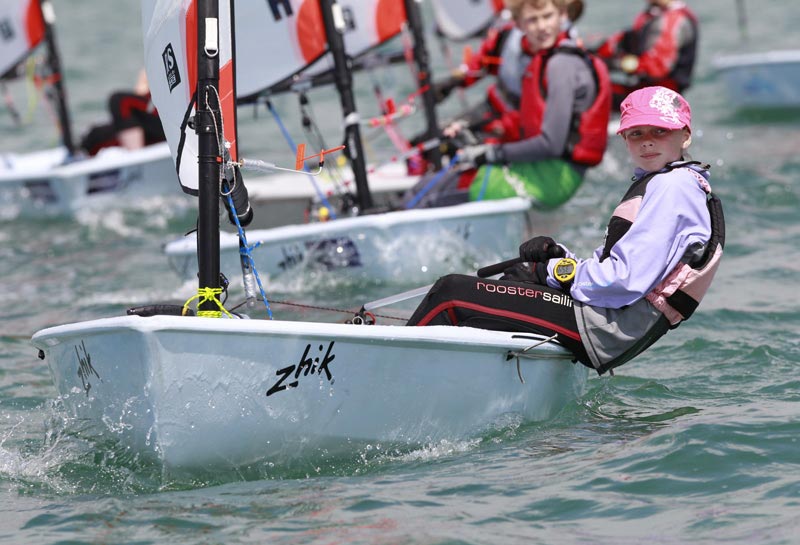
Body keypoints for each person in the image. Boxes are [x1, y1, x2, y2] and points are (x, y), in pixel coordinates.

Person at [406, 86, 725, 375]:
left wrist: (555, 272)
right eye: (636, 133)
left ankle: (390, 378)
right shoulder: (674, 182)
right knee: (505, 286)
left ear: (685, 135)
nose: (648, 141)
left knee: (450, 294)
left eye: (660, 130)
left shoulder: (672, 187)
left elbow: (625, 279)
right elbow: (615, 269)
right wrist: (560, 257)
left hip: (607, 326)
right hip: (607, 318)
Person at [403, 0, 611, 211]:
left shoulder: (561, 65)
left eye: (547, 17)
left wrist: (491, 153)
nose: (541, 26)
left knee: (426, 195)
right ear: (519, 25)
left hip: (554, 176)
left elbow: (551, 144)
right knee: (435, 174)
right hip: (542, 165)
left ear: (563, 16)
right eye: (532, 20)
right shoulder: (544, 56)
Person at [592, 0, 698, 109]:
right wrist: (594, 53)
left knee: (594, 89)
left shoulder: (674, 20)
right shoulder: (653, 15)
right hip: (645, 89)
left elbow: (655, 67)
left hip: (660, 98)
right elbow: (625, 40)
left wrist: (614, 64)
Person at [79, 69, 165, 156]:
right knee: (96, 135)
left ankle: (137, 158)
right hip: (152, 119)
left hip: (168, 117)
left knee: (119, 101)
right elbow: (141, 90)